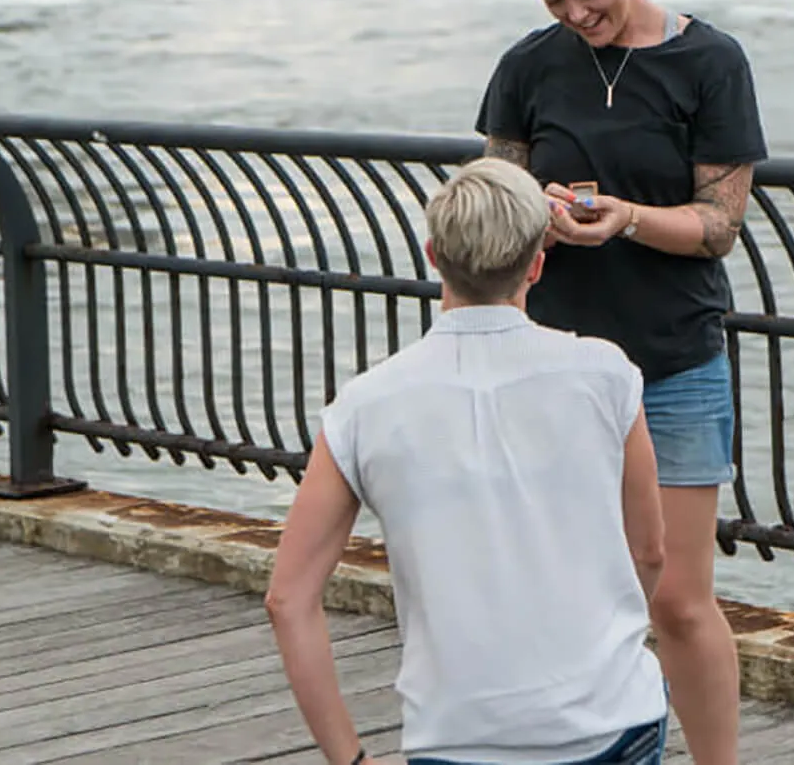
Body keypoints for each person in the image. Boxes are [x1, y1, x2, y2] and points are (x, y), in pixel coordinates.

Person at [475, 0, 767, 765]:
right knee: (565, 588)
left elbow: (719, 227)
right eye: (553, 3)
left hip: (672, 365)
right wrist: (543, 215)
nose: (577, 16)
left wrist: (629, 216)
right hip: (553, 365)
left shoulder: (710, 63)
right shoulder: (527, 68)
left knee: (677, 598)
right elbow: (499, 203)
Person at [266, 157, 670, 765]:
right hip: (612, 718)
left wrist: (348, 759)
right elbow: (649, 552)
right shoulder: (607, 374)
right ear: (537, 263)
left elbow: (288, 600)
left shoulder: (364, 406)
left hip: (460, 735)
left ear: (433, 255)